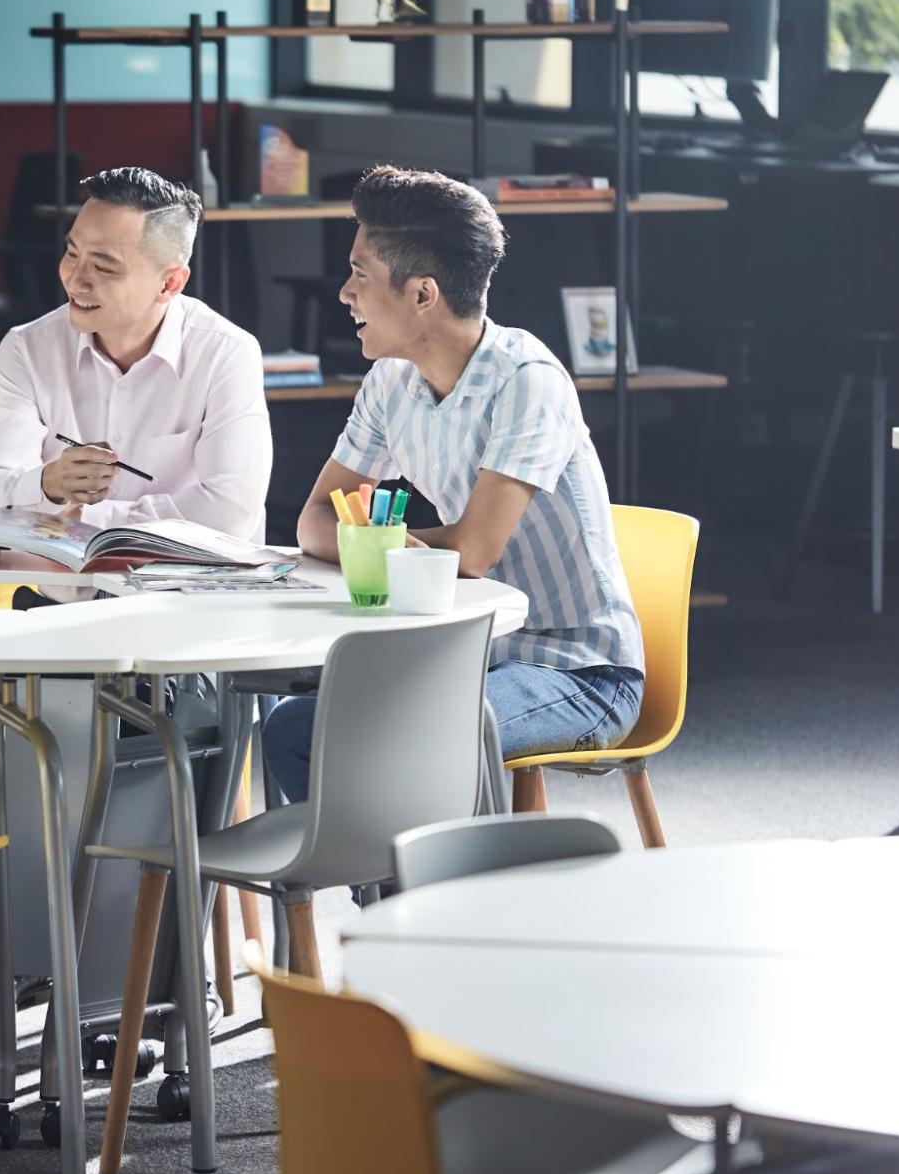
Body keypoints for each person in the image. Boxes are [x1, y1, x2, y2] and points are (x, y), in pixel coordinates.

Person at [263, 165, 645, 803]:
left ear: (423, 294)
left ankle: (441, 868)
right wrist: (393, 545)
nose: (344, 294)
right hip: (469, 651)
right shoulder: (391, 380)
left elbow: (471, 553)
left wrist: (375, 539)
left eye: (360, 275)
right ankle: (380, 872)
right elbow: (315, 521)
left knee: (407, 736)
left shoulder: (527, 380)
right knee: (293, 730)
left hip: (579, 668)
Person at [0, 166, 272, 542]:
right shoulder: (27, 348)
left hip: (182, 578)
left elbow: (231, 513)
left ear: (169, 283)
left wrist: (88, 519)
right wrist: (49, 483)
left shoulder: (226, 353)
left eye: (103, 267)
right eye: (72, 253)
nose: (75, 279)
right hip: (57, 579)